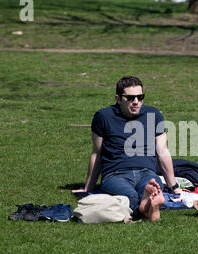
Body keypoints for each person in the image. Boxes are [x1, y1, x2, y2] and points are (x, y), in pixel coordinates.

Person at [72, 76, 181, 222]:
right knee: (129, 196)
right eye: (130, 98)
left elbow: (163, 152)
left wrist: (174, 187)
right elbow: (97, 153)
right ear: (118, 99)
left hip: (146, 171)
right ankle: (147, 208)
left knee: (151, 188)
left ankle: (145, 206)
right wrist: (88, 188)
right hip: (115, 174)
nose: (136, 101)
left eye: (140, 97)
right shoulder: (103, 116)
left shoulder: (154, 115)